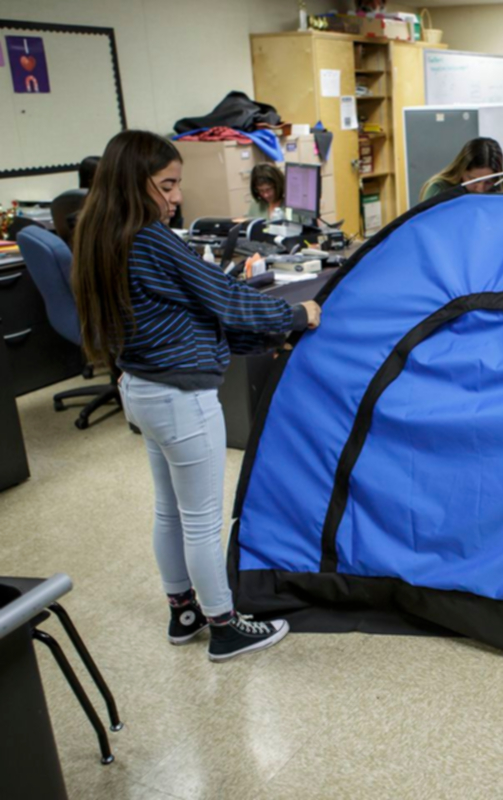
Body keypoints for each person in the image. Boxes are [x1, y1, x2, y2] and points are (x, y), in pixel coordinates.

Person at [72, 131, 322, 662]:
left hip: (140, 389)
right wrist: (296, 315)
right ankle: (226, 627)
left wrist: (267, 335)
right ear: (135, 184)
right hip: (180, 398)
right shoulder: (150, 239)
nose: (178, 196)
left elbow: (185, 316)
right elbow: (225, 299)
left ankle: (183, 612)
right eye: (168, 185)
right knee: (203, 519)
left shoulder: (103, 235)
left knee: (170, 512)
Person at [420, 137, 503, 202]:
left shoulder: (502, 187)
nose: (480, 189)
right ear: (460, 171)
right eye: (474, 180)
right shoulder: (438, 189)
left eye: (488, 182)